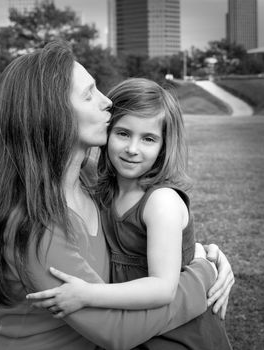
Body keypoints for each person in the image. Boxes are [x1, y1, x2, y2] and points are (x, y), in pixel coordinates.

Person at [0, 41, 234, 350]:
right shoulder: (34, 223)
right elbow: (118, 331)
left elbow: (142, 239)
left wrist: (201, 251)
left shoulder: (93, 181)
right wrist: (202, 275)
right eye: (89, 94)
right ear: (53, 113)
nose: (108, 102)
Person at [26, 78, 233, 349]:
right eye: (123, 133)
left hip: (178, 332)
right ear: (107, 131)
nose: (132, 149)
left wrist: (88, 294)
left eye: (148, 139)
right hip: (137, 324)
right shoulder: (101, 188)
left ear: (164, 146)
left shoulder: (161, 202)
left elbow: (163, 287)